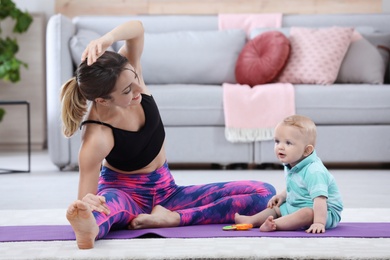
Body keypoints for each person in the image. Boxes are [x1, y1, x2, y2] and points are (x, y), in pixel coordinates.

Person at [61, 20, 276, 249]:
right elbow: (86, 198)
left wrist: (108, 39)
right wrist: (88, 205)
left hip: (168, 192)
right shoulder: (97, 136)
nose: (137, 91)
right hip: (125, 195)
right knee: (104, 210)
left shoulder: (129, 74)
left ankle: (172, 218)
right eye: (126, 91)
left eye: (134, 79)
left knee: (265, 194)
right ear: (103, 100)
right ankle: (91, 230)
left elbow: (137, 29)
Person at [235, 115, 343, 233]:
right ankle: (252, 220)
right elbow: (297, 185)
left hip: (324, 212)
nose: (280, 146)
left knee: (306, 213)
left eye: (288, 143)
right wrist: (282, 196)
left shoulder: (314, 171)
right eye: (277, 141)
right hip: (300, 204)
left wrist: (318, 223)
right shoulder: (292, 163)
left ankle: (274, 224)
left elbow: (320, 199)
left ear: (307, 150)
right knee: (276, 208)